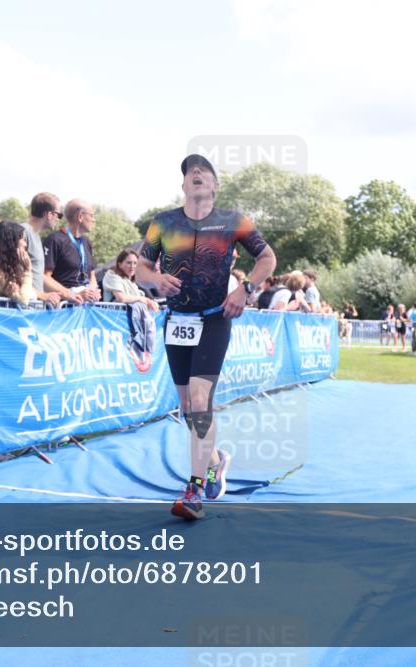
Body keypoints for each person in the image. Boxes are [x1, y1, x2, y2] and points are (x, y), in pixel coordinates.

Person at [136, 154, 277, 520]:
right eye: (189, 173)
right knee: (188, 408)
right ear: (183, 186)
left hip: (215, 319)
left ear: (215, 186)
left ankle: (194, 489)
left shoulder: (234, 221)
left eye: (204, 172)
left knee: (201, 399)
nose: (196, 174)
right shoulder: (163, 223)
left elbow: (268, 259)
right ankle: (216, 461)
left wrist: (245, 289)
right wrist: (155, 280)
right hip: (177, 321)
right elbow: (140, 270)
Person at [43, 199, 102, 304]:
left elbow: (91, 275)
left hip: (84, 308)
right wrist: (70, 294)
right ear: (80, 216)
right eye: (92, 215)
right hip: (63, 309)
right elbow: (44, 277)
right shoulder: (55, 240)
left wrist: (93, 291)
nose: (94, 220)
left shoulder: (87, 242)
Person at [24, 192, 64, 307]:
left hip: (33, 309)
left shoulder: (35, 236)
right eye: (59, 215)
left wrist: (67, 294)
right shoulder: (23, 232)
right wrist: (41, 295)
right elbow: (12, 275)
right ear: (49, 214)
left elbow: (38, 275)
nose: (59, 219)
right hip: (23, 309)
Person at [0, 221, 36, 307]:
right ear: (11, 243)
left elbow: (32, 294)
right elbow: (23, 301)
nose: (25, 244)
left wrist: (21, 290)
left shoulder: (13, 268)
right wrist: (28, 270)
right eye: (23, 240)